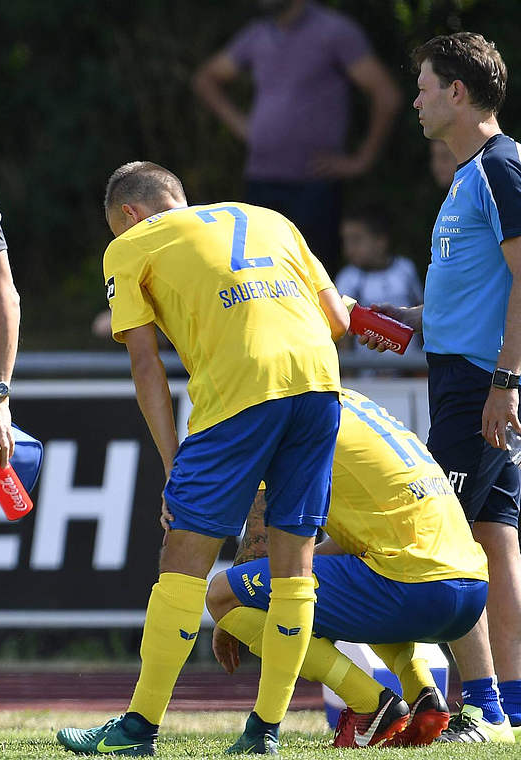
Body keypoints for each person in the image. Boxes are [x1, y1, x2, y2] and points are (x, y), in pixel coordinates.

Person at [56, 162, 347, 755]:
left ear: (131, 216)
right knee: (294, 568)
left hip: (240, 390)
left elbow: (145, 364)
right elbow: (338, 321)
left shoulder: (133, 245)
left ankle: (138, 729)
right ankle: (264, 732)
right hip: (320, 384)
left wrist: (172, 465)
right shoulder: (269, 217)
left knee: (183, 559)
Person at [363, 31, 521, 743]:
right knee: (492, 537)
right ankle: (510, 707)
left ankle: (481, 706)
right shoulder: (468, 175)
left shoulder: (499, 167)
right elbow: (483, 290)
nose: (417, 100)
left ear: (457, 93)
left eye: (425, 86)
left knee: (438, 540)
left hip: (481, 386)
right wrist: (408, 318)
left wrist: (506, 383)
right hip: (470, 378)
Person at [207, 388, 489, 748]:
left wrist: (236, 606)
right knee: (357, 572)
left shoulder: (284, 411)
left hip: (412, 588)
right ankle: (423, 696)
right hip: (469, 594)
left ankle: (371, 704)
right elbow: (356, 540)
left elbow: (262, 547)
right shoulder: (355, 403)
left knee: (221, 595)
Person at [192, 0, 400, 267]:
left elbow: (386, 95)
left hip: (314, 184)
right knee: (262, 276)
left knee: (313, 278)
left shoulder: (334, 31)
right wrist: (243, 126)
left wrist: (361, 160)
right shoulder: (257, 34)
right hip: (260, 180)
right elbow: (206, 78)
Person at [334, 207, 423, 362]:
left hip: (411, 368)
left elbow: (421, 308)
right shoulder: (347, 278)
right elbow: (343, 332)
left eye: (356, 240)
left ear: (381, 241)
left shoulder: (405, 269)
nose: (349, 249)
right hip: (367, 373)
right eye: (345, 241)